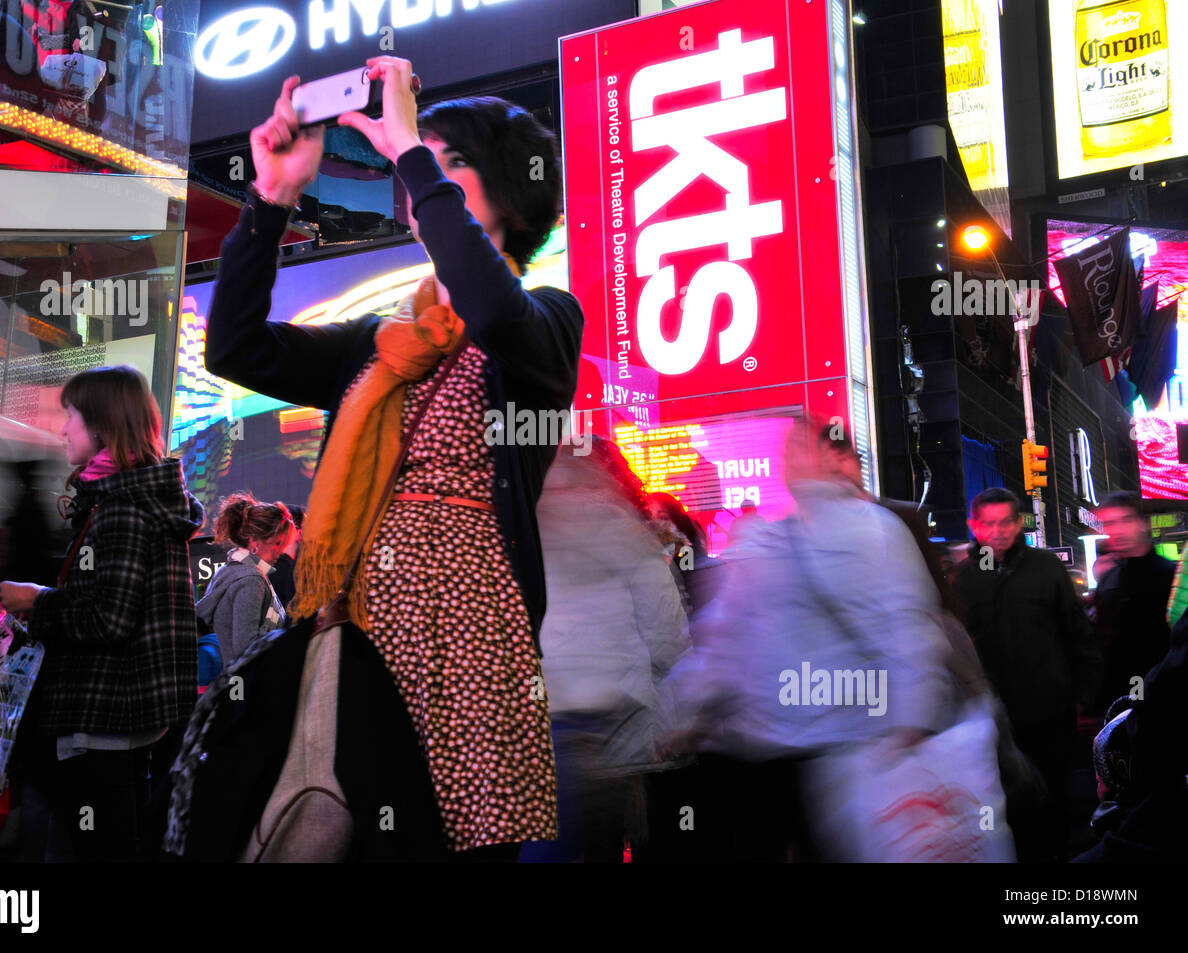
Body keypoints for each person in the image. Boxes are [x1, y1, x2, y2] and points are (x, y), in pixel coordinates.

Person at [203, 58, 582, 860]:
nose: (419, 179)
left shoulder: (547, 317)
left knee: (458, 845)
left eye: (450, 162)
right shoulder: (378, 344)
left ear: (510, 193)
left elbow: (488, 304)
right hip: (364, 625)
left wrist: (406, 140)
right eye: (420, 163)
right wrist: (272, 195)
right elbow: (235, 345)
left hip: (475, 636)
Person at [666, 419, 955, 861]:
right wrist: (690, 712)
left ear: (827, 457)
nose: (790, 458)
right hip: (767, 748)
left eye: (801, 446)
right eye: (786, 451)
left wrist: (910, 726)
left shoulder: (873, 530)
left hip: (844, 751)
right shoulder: (767, 538)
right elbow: (728, 637)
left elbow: (908, 629)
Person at [0, 365, 202, 862]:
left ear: (103, 426)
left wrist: (34, 601)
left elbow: (108, 618)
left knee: (92, 847)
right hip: (125, 717)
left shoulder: (122, 508)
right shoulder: (138, 503)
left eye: (71, 416)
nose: (63, 428)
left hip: (102, 714)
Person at [522, 442, 690, 862]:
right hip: (615, 725)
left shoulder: (527, 533)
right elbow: (669, 640)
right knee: (605, 845)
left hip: (544, 726)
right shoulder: (630, 537)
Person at [949, 486, 1102, 861]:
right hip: (992, 717)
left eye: (1005, 522)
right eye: (989, 524)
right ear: (974, 525)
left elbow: (1077, 633)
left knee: (1053, 800)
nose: (998, 532)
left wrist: (1085, 697)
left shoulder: (1046, 568)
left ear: (1019, 524)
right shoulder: (965, 577)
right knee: (1004, 803)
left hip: (1049, 709)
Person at [1092, 491, 1174, 707]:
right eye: (1110, 523)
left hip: (1167, 695)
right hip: (1118, 698)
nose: (1117, 531)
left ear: (1143, 524)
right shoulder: (1109, 579)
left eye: (1126, 520)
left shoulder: (1171, 576)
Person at [196, 492, 294, 668]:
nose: (280, 551)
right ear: (255, 541)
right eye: (277, 543)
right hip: (249, 690)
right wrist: (239, 695)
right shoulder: (251, 581)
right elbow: (244, 655)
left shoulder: (232, 573)